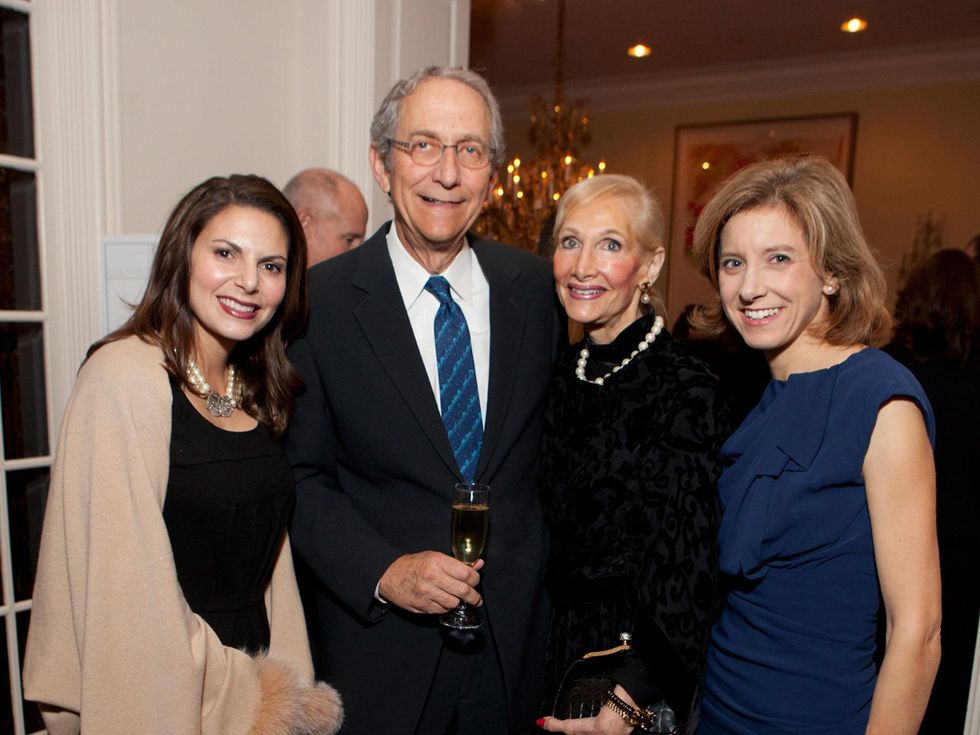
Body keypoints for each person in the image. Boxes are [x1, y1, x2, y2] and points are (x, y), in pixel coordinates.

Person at [285, 66, 564, 735]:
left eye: (470, 150)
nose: (447, 172)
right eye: (424, 145)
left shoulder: (535, 290)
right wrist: (386, 569)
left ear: (491, 175)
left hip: (515, 654)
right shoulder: (317, 303)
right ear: (383, 164)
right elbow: (299, 478)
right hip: (382, 658)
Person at [23, 175, 343, 735]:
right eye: (226, 253)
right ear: (182, 255)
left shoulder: (253, 384)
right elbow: (126, 598)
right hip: (164, 690)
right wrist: (245, 691)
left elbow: (271, 562)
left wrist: (282, 687)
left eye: (271, 266)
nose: (248, 282)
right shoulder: (121, 378)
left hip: (255, 679)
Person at [690, 156, 941, 734]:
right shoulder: (754, 395)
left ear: (830, 271)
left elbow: (919, 632)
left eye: (778, 258)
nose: (750, 287)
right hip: (719, 712)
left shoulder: (879, 398)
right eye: (733, 263)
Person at [535, 175, 732, 735]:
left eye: (611, 244)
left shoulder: (688, 389)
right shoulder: (557, 376)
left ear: (650, 265)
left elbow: (690, 570)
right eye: (570, 242)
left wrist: (626, 703)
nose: (583, 265)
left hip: (633, 674)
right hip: (551, 651)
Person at [885, 249, 980, 734]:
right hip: (963, 552)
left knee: (892, 656)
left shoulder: (886, 369)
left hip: (896, 543)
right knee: (949, 670)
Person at [283, 167, 369, 266]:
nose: (359, 254)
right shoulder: (266, 279)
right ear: (304, 226)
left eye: (361, 243)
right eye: (349, 240)